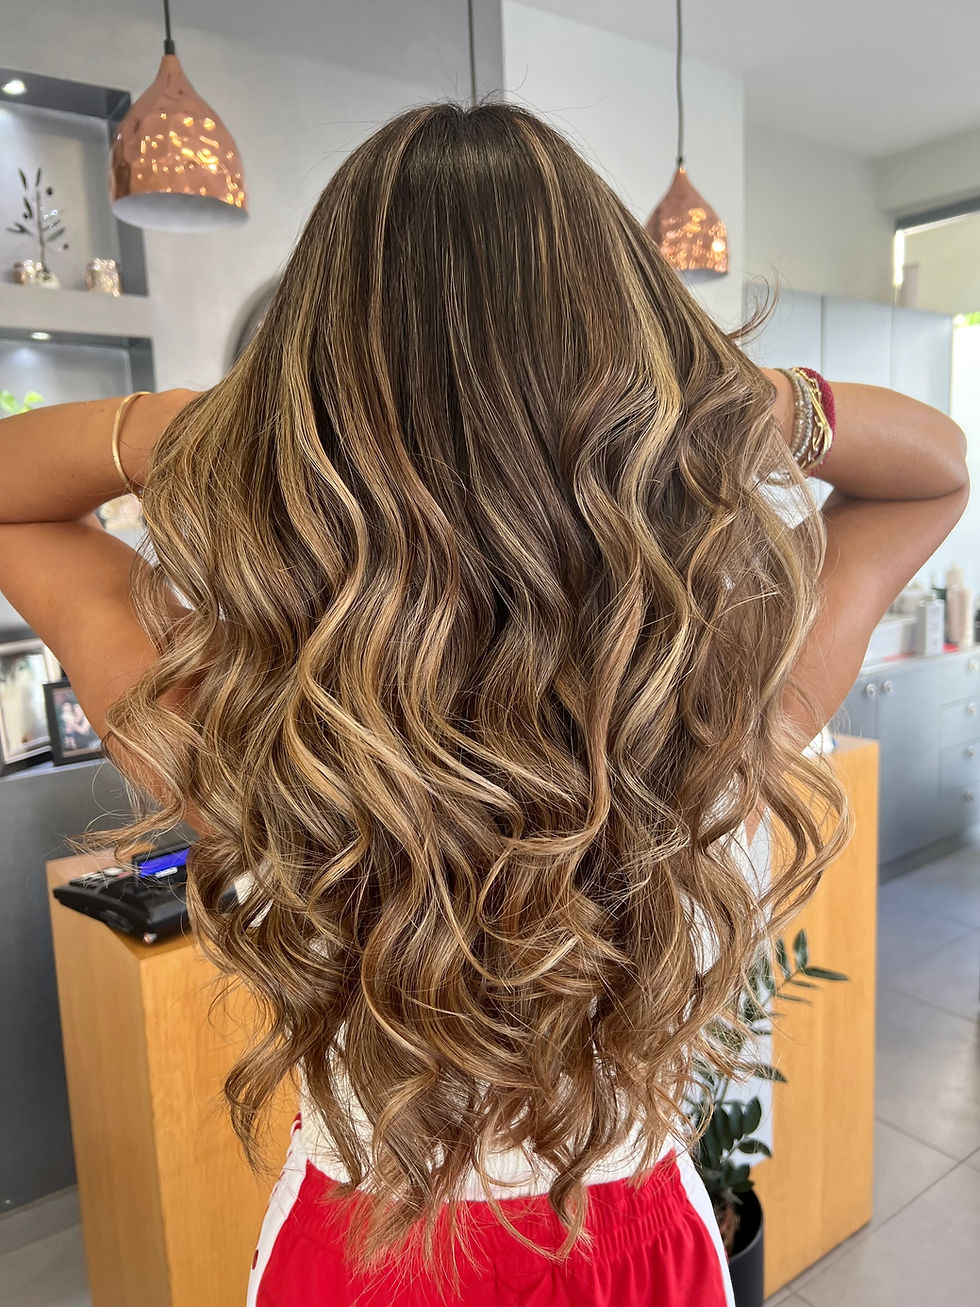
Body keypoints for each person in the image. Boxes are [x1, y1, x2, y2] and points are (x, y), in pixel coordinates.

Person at [0, 101, 968, 1307]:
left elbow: (13, 497)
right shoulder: (714, 701)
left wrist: (200, 428)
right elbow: (931, 468)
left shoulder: (245, 717)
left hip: (353, 1264)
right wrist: (731, 398)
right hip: (637, 1260)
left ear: (318, 405)